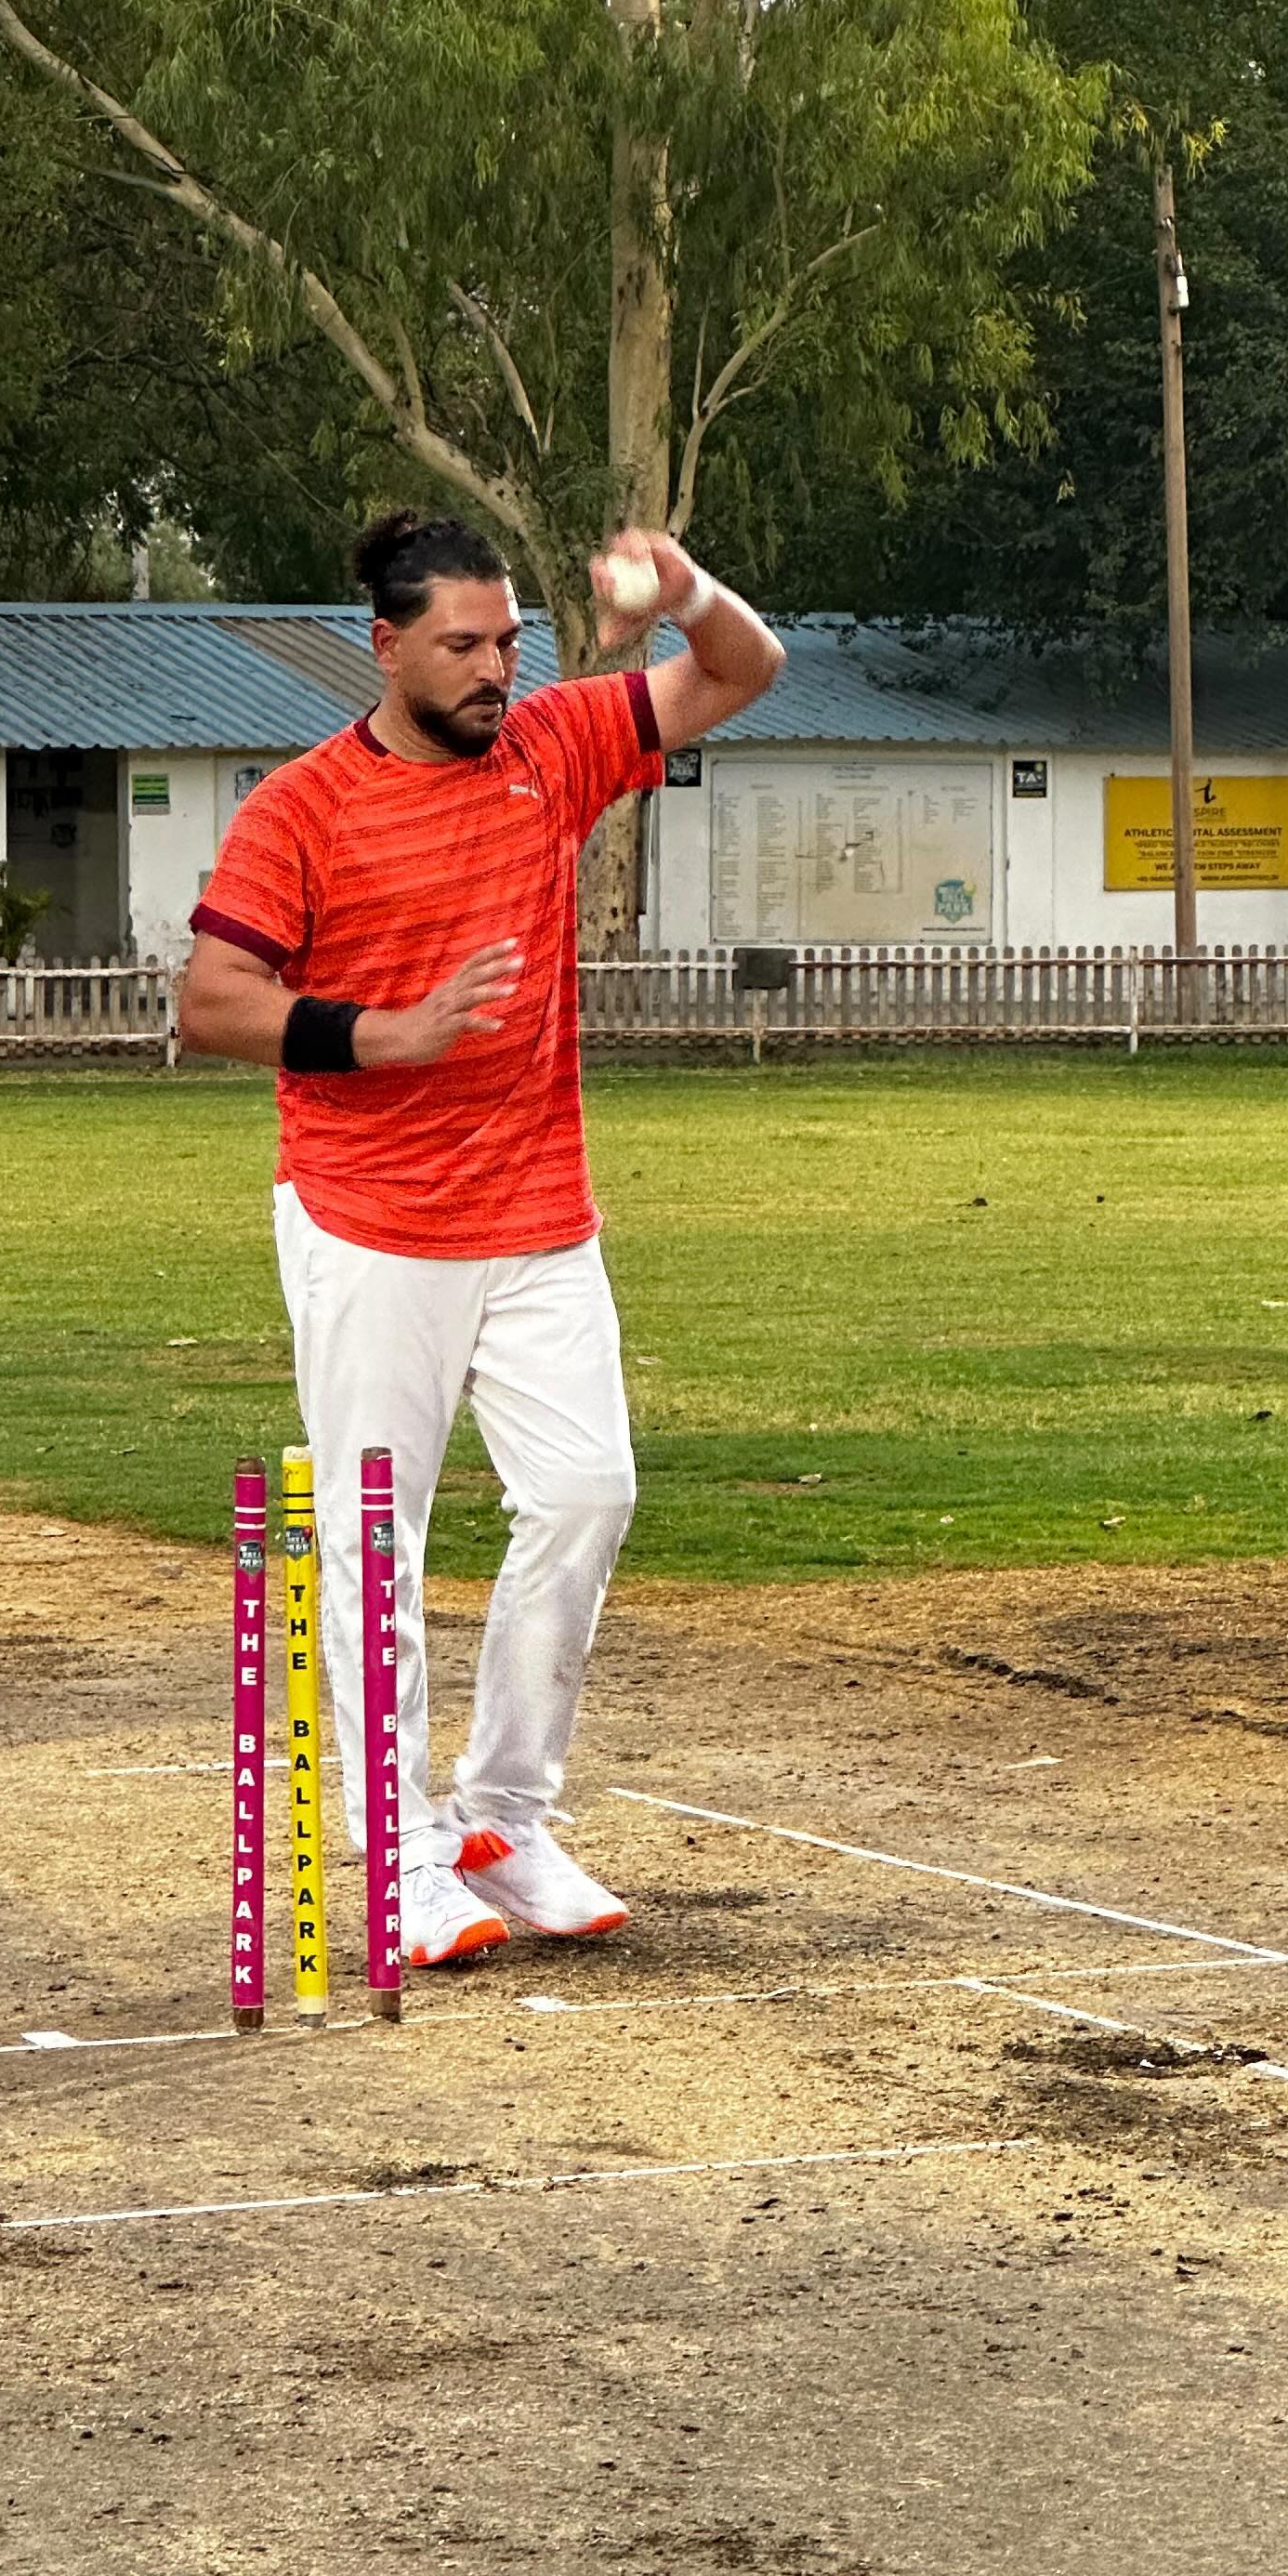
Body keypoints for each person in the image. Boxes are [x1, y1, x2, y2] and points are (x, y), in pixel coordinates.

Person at [180, 510, 784, 1965]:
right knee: (371, 1545)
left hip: (537, 1219)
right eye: (461, 643)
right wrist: (384, 1034)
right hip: (367, 1223)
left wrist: (683, 589)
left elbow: (745, 667)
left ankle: (501, 1818)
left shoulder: (554, 750)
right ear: (384, 646)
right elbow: (210, 1005)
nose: (493, 667)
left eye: (507, 639)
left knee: (587, 1495)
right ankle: (389, 1860)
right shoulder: (304, 809)